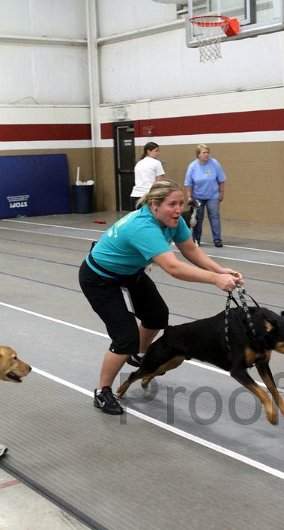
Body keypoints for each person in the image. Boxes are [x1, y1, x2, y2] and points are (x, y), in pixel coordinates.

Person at [79, 179, 243, 416]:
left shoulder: (173, 221)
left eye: (181, 204)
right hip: (99, 278)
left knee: (157, 316)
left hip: (129, 272)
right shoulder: (143, 227)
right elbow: (173, 268)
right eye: (172, 204)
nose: (178, 209)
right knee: (125, 337)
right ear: (154, 205)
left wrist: (219, 270)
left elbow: (191, 249)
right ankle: (102, 391)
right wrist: (214, 280)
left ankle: (138, 354)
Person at [184, 143, 226, 247]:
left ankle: (217, 239)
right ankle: (196, 240)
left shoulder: (215, 163)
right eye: (204, 153)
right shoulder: (193, 166)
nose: (206, 154)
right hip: (198, 196)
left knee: (214, 216)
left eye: (208, 152)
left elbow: (221, 180)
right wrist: (189, 197)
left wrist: (221, 193)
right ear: (198, 154)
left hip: (213, 195)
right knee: (198, 218)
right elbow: (188, 184)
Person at [130, 142, 165, 209]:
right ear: (148, 151)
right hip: (148, 196)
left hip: (135, 196)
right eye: (156, 151)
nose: (158, 153)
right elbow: (159, 182)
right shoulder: (157, 163)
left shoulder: (139, 163)